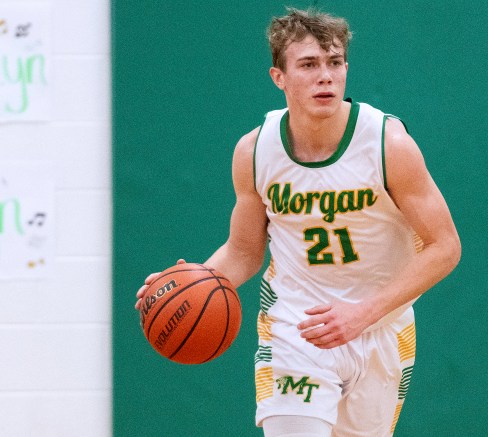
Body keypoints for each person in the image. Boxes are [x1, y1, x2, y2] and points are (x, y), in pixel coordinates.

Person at [136, 7, 460, 437]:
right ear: (279, 78)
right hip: (296, 329)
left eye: (335, 62)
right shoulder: (255, 151)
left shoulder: (389, 144)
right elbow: (244, 251)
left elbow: (445, 246)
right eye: (308, 65)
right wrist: (185, 282)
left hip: (380, 328)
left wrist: (362, 314)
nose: (325, 76)